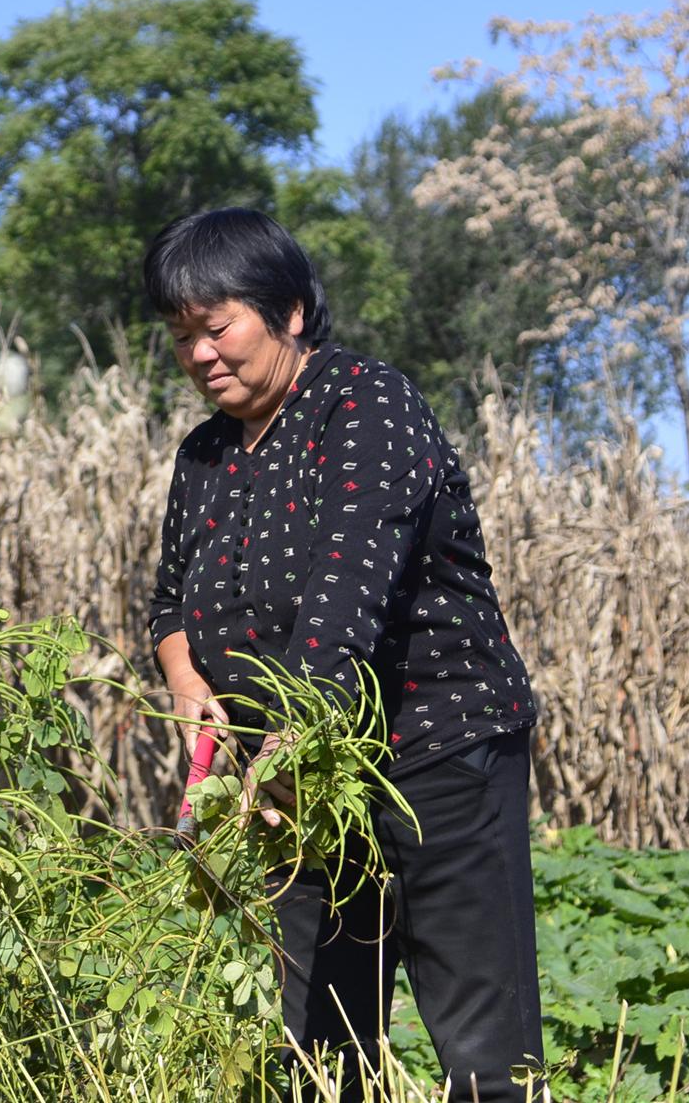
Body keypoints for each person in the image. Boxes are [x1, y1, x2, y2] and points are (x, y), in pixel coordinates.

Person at [143, 207, 544, 1103]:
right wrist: (184, 675)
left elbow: (347, 592)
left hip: (434, 754)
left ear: (288, 313)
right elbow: (169, 601)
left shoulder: (362, 403)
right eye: (182, 339)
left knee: (485, 1047)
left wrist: (295, 738)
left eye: (217, 328)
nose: (201, 355)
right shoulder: (203, 456)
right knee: (321, 1055)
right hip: (304, 787)